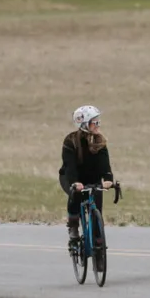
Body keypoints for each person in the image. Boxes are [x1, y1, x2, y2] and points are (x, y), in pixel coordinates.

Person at [60, 105, 115, 255]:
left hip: (92, 177)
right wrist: (74, 182)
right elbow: (69, 166)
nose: (97, 125)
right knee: (76, 195)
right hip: (71, 176)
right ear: (84, 124)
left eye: (98, 122)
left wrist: (109, 179)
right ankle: (73, 225)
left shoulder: (100, 140)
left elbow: (105, 164)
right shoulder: (70, 141)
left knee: (97, 206)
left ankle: (98, 244)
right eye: (94, 122)